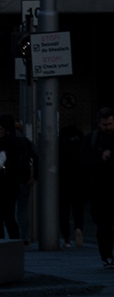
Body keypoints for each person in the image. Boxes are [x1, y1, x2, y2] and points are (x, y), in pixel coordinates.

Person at [0, 114, 34, 241]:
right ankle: (19, 239)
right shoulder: (18, 142)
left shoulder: (11, 143)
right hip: (12, 182)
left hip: (10, 182)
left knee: (8, 214)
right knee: (13, 213)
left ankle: (15, 239)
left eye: (0, 129)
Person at [89, 108, 114, 268]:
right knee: (104, 225)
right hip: (100, 189)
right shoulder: (92, 139)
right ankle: (107, 255)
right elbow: (84, 162)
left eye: (111, 124)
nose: (109, 127)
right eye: (105, 124)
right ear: (99, 124)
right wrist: (101, 158)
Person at [60, 124, 88, 248]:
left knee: (63, 212)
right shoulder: (81, 143)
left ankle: (66, 239)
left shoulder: (60, 144)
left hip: (63, 181)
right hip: (78, 180)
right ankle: (78, 228)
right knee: (78, 209)